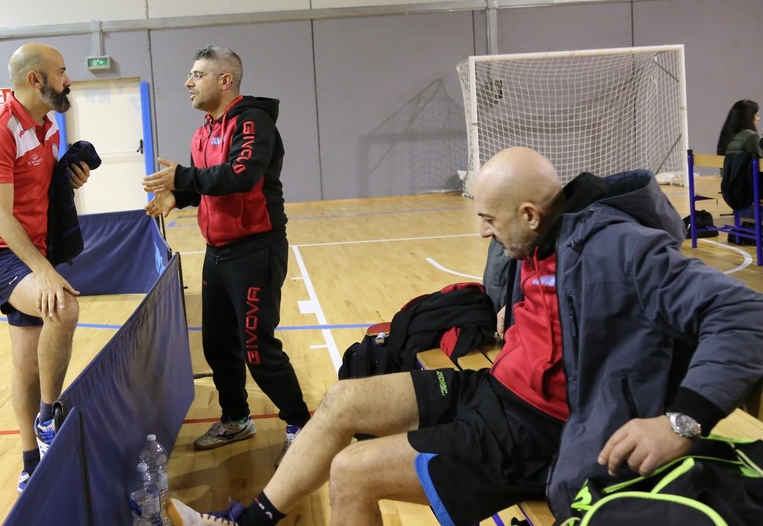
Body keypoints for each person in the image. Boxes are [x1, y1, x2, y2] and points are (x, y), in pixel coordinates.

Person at [165, 147, 763, 526]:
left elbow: (744, 315)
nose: (481, 232)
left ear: (529, 213)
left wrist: (680, 422)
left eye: (488, 219)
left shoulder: (617, 248)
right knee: (343, 400)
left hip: (539, 432)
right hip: (497, 392)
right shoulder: (540, 239)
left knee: (352, 471)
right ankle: (248, 523)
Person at [143, 45, 311, 467]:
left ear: (225, 80)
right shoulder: (204, 129)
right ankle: (236, 418)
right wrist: (179, 196)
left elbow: (243, 174)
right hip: (217, 252)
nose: (188, 83)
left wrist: (183, 177)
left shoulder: (252, 120)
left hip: (255, 251)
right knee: (218, 345)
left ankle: (301, 427)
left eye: (197, 75)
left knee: (258, 349)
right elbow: (209, 186)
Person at [0, 42, 92, 493]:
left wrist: (70, 179)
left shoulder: (47, 126)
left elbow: (38, 187)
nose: (68, 79)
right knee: (63, 307)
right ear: (35, 79)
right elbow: (1, 216)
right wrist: (43, 271)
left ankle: (30, 463)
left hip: (30, 249)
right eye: (61, 71)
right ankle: (47, 417)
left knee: (26, 364)